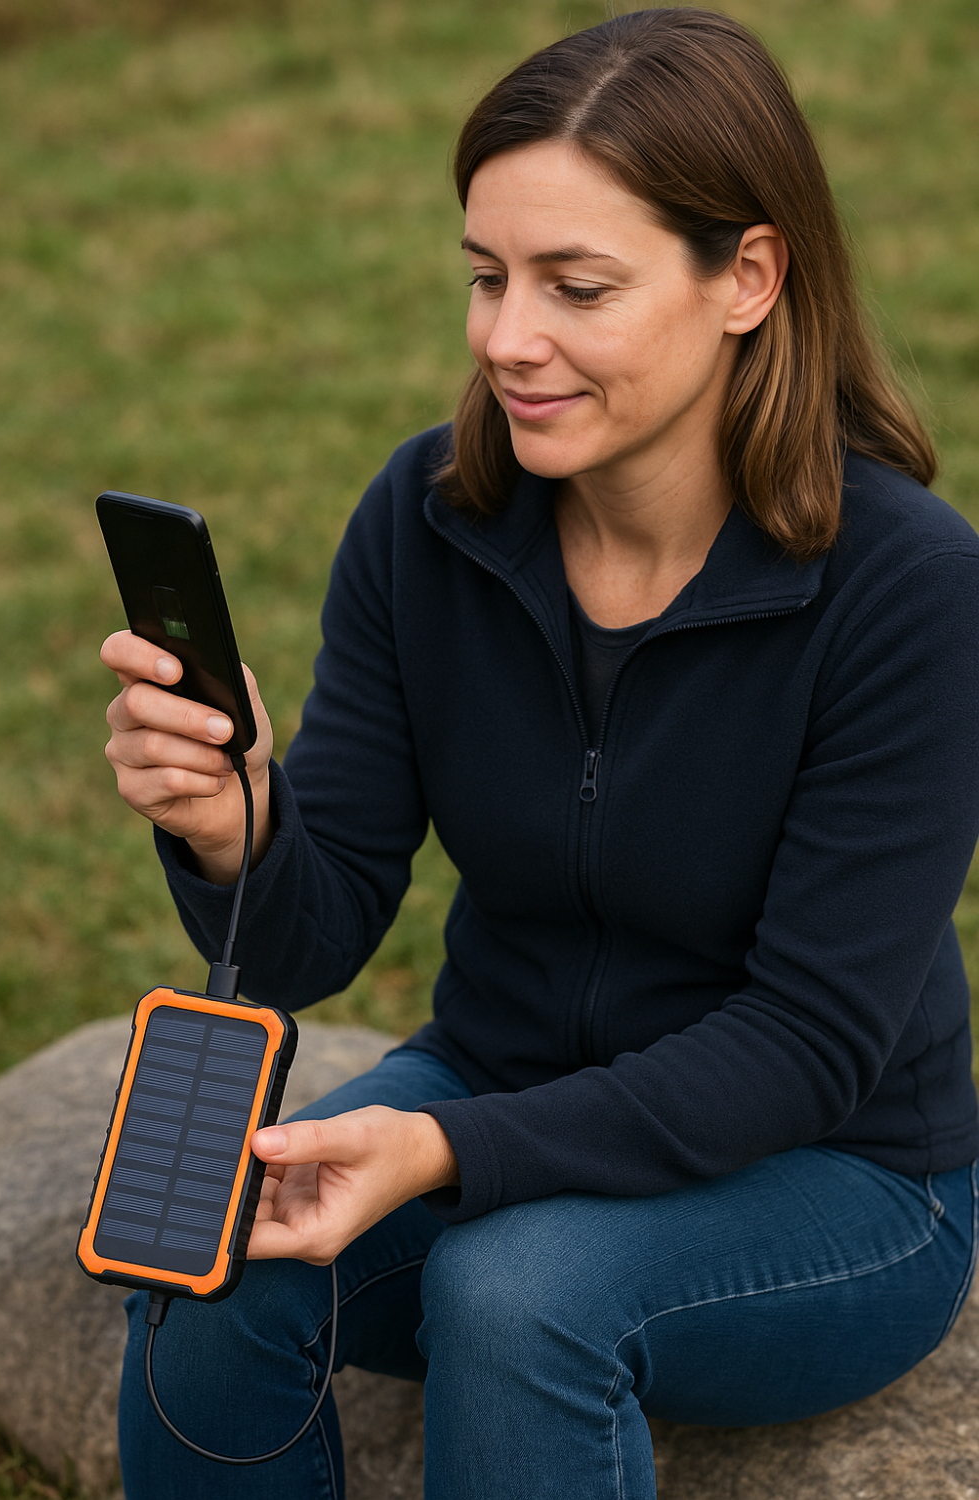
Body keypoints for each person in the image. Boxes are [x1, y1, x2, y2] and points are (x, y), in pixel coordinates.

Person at [104, 10, 979, 1498]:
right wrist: (236, 822)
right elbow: (323, 925)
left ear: (746, 280)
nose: (510, 338)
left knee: (515, 1293)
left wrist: (447, 1156)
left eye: (578, 286)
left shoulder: (910, 588)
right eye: (487, 277)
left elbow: (804, 1045)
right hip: (503, 1082)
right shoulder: (431, 519)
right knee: (205, 1259)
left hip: (837, 1178)